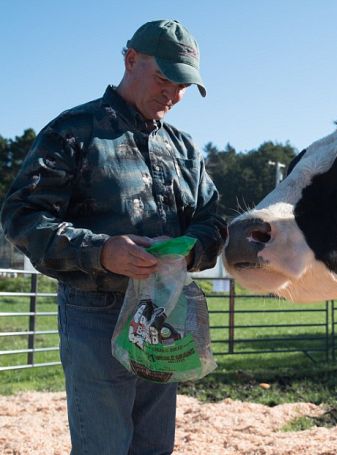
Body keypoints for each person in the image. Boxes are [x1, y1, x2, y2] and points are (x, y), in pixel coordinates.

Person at [0, 20, 227, 454]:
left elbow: (213, 221)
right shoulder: (73, 132)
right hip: (95, 310)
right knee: (103, 445)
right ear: (130, 61)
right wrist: (102, 251)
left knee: (154, 446)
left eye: (184, 86)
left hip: (164, 310)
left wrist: (190, 250)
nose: (174, 95)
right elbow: (22, 216)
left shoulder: (184, 149)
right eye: (165, 78)